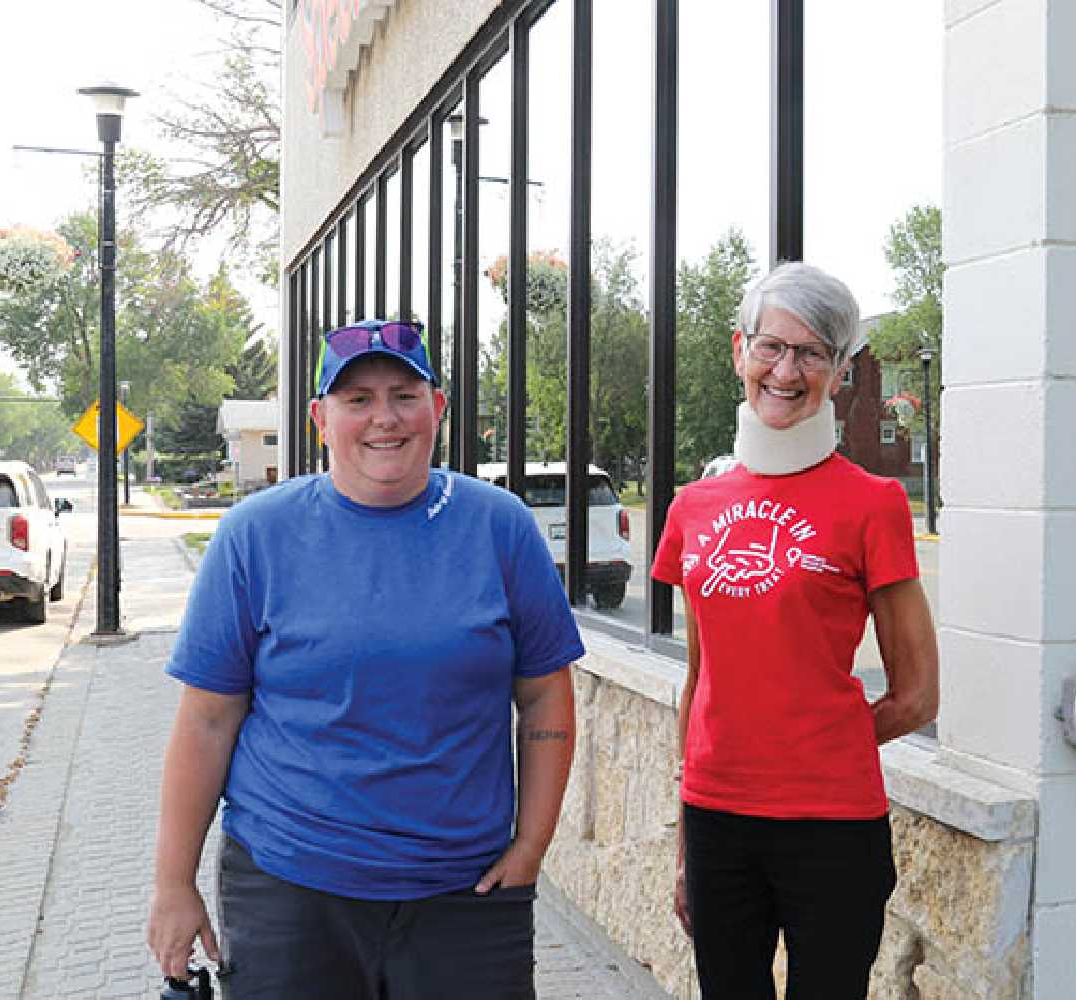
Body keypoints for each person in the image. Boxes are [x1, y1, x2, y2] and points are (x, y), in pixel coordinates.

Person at [146, 318, 583, 999]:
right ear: (321, 418)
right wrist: (173, 884)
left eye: (404, 395)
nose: (385, 418)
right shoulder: (255, 536)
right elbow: (206, 720)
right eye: (358, 400)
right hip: (290, 889)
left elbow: (545, 697)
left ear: (437, 408)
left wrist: (531, 845)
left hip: (466, 892)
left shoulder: (500, 527)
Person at [651, 262, 939, 999]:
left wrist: (815, 739)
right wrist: (685, 836)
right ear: (738, 350)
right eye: (772, 346)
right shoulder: (693, 507)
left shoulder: (873, 504)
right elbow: (700, 680)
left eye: (813, 353)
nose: (786, 370)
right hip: (718, 819)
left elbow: (917, 695)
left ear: (840, 371)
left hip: (832, 824)